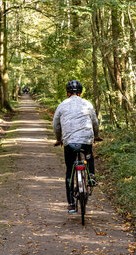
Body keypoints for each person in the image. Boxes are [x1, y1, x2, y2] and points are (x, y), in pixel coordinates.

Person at [53, 80, 99, 213]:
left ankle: (71, 203)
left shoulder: (62, 105)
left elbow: (56, 125)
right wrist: (96, 136)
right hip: (86, 140)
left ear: (67, 93)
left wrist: (58, 139)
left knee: (69, 171)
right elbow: (95, 122)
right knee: (89, 157)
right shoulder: (87, 104)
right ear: (80, 93)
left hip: (70, 142)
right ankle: (91, 176)